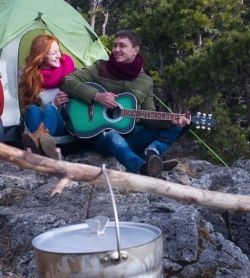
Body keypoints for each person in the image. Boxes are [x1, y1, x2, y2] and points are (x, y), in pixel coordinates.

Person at [59, 30, 189, 177]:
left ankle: (152, 153)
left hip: (134, 134)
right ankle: (142, 167)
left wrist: (170, 122)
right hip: (104, 137)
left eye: (122, 46)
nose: (116, 50)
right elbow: (66, 81)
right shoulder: (99, 67)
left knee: (178, 125)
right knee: (112, 136)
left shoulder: (145, 81)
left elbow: (148, 117)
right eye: (114, 45)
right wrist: (96, 96)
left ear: (135, 50)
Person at [19, 34, 75, 158]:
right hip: (41, 124)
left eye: (58, 51)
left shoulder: (70, 71)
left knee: (49, 108)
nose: (59, 56)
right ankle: (41, 147)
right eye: (53, 53)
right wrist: (54, 103)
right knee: (32, 109)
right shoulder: (32, 77)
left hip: (63, 124)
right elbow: (27, 105)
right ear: (42, 55)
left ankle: (36, 141)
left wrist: (55, 105)